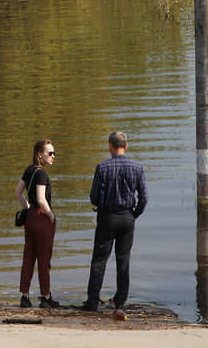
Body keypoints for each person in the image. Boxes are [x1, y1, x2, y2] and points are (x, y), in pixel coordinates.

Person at [81, 131, 148, 312]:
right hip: (127, 217)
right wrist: (134, 215)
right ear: (126, 146)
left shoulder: (102, 168)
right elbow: (144, 198)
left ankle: (92, 301)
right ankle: (119, 302)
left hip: (107, 218)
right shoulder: (137, 168)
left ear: (110, 146)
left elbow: (94, 198)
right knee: (123, 260)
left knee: (99, 259)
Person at [14, 139, 59, 309]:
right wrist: (50, 214)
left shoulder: (29, 170)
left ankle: (24, 296)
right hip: (41, 218)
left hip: (30, 217)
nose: (53, 156)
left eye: (54, 152)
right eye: (50, 153)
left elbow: (18, 192)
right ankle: (45, 296)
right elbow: (41, 198)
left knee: (28, 257)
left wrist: (26, 208)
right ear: (39, 154)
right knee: (44, 258)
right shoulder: (41, 174)